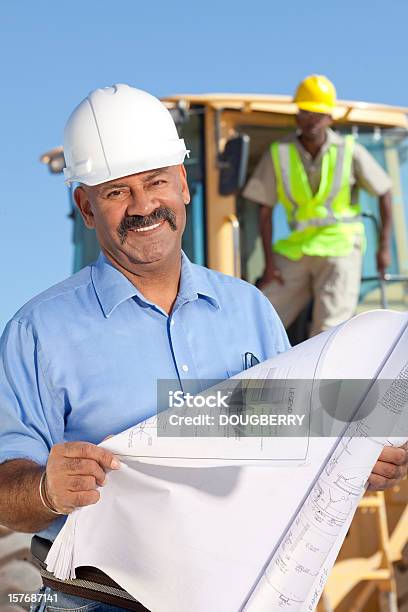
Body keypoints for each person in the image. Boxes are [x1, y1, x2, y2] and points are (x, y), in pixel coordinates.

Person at [0, 84, 406, 612]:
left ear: (184, 186)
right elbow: (7, 490)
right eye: (117, 191)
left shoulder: (252, 312)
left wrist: (349, 461)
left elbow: (288, 445)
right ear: (86, 206)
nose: (143, 205)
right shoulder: (37, 332)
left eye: (155, 182)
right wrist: (46, 493)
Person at [243, 74, 393, 337]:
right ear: (296, 115)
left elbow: (385, 190)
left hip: (340, 246)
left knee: (329, 331)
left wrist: (383, 249)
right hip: (299, 247)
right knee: (260, 317)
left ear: (330, 118)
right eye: (305, 112)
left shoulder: (350, 151)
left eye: (318, 113)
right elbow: (264, 210)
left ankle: (321, 376)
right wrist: (268, 265)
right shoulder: (279, 153)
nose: (311, 119)